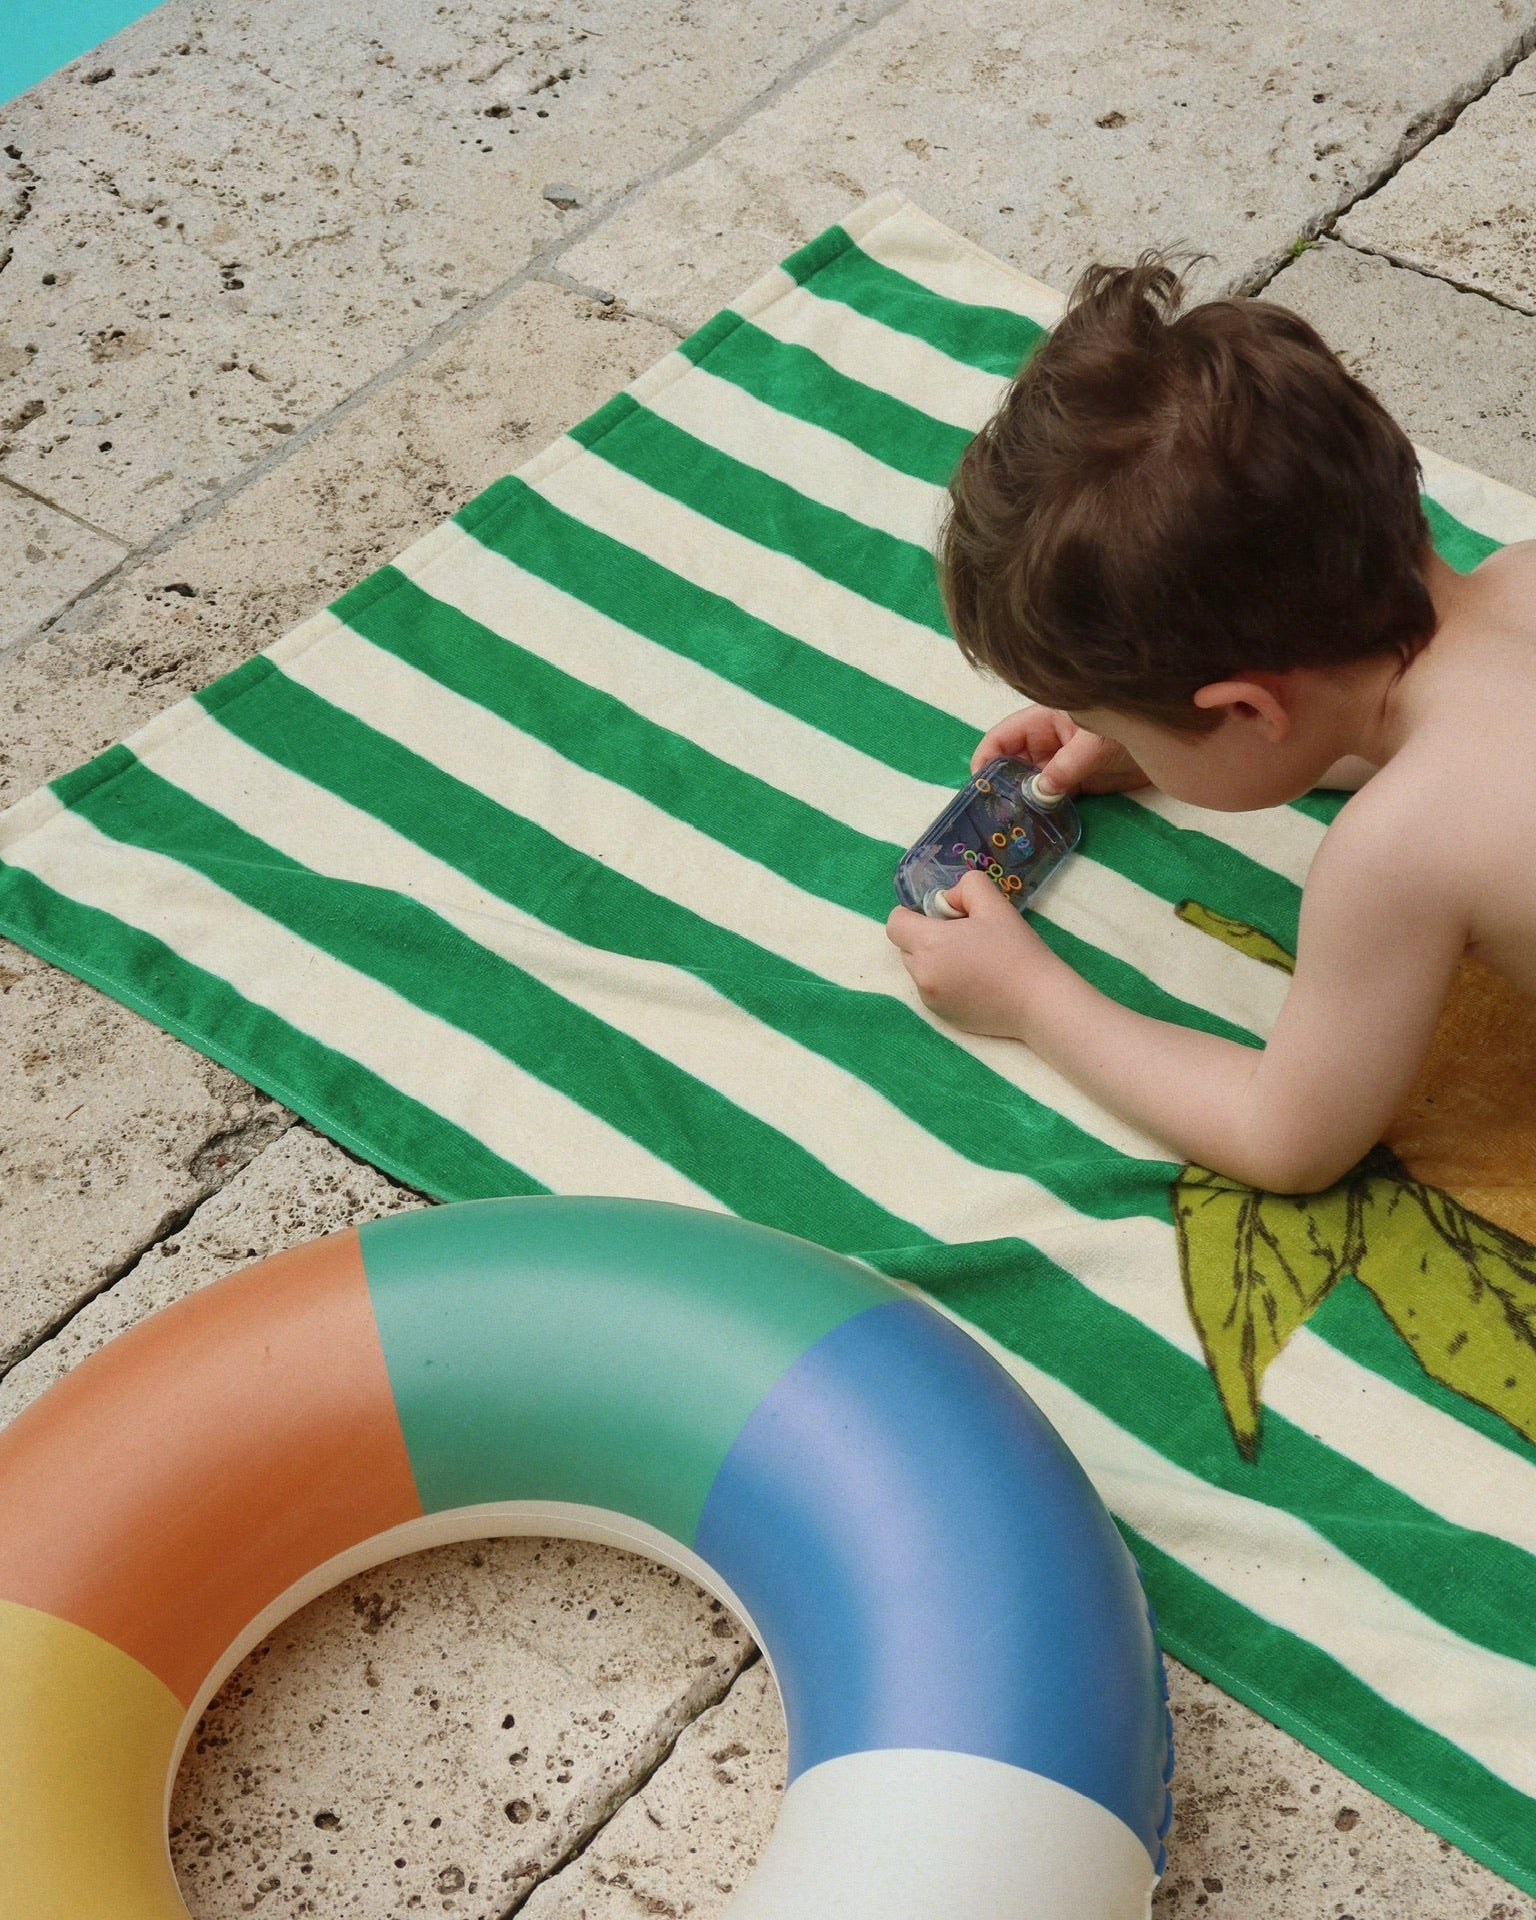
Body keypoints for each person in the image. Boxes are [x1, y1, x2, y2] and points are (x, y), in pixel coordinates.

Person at [886, 255, 1536, 1195]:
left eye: (1138, 731)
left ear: (1244, 710)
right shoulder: (1519, 572)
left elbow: (1287, 1138)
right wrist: (1156, 756)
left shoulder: (1397, 854)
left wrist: (1030, 996)